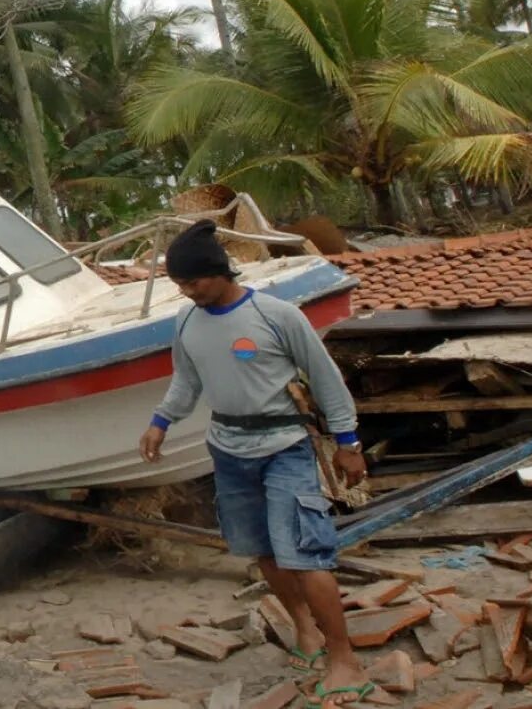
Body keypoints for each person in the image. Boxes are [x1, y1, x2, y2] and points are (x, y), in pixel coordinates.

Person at [138, 219, 371, 707]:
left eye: (194, 281)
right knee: (261, 549)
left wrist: (348, 443)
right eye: (179, 284)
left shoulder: (277, 316)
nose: (187, 292)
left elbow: (326, 381)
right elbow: (186, 381)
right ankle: (305, 630)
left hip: (284, 444)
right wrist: (162, 420)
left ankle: (344, 657)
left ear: (220, 272)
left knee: (305, 555)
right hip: (227, 448)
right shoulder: (186, 321)